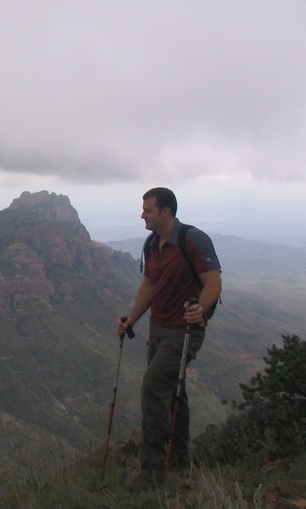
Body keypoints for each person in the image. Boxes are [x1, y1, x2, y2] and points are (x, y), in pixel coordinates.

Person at [116, 187, 222, 488]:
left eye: (148, 210)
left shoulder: (192, 239)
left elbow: (213, 281)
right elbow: (149, 285)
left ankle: (151, 472)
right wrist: (132, 319)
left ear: (166, 211)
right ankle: (178, 461)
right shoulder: (152, 243)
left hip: (184, 330)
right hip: (158, 327)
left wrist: (200, 309)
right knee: (175, 392)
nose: (142, 215)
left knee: (153, 386)